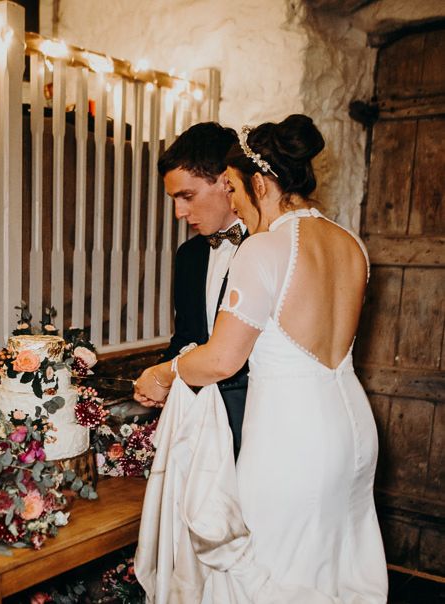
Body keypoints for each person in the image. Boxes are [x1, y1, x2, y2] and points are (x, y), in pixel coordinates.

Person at [134, 115, 387, 601]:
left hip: (290, 439)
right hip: (350, 429)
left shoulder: (264, 248)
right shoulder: (351, 244)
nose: (231, 201)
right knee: (331, 567)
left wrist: (166, 371)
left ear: (258, 182)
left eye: (231, 188)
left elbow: (222, 360)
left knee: (273, 571)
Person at [151, 122, 248, 458]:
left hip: (258, 419)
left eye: (187, 196)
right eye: (173, 199)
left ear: (226, 181)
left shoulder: (268, 247)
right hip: (203, 422)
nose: (179, 212)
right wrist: (157, 379)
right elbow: (188, 336)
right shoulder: (189, 256)